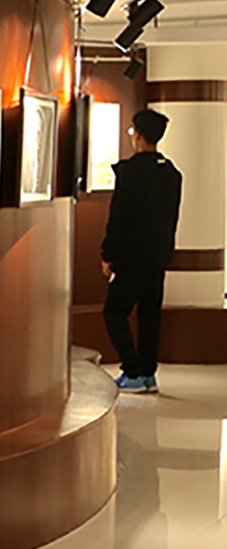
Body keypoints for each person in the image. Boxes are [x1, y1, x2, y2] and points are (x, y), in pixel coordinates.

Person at [101, 107, 182, 393]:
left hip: (131, 257)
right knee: (150, 315)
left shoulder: (130, 172)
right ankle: (148, 374)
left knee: (114, 311)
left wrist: (108, 254)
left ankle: (132, 371)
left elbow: (119, 217)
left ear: (139, 135)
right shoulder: (171, 174)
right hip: (158, 257)